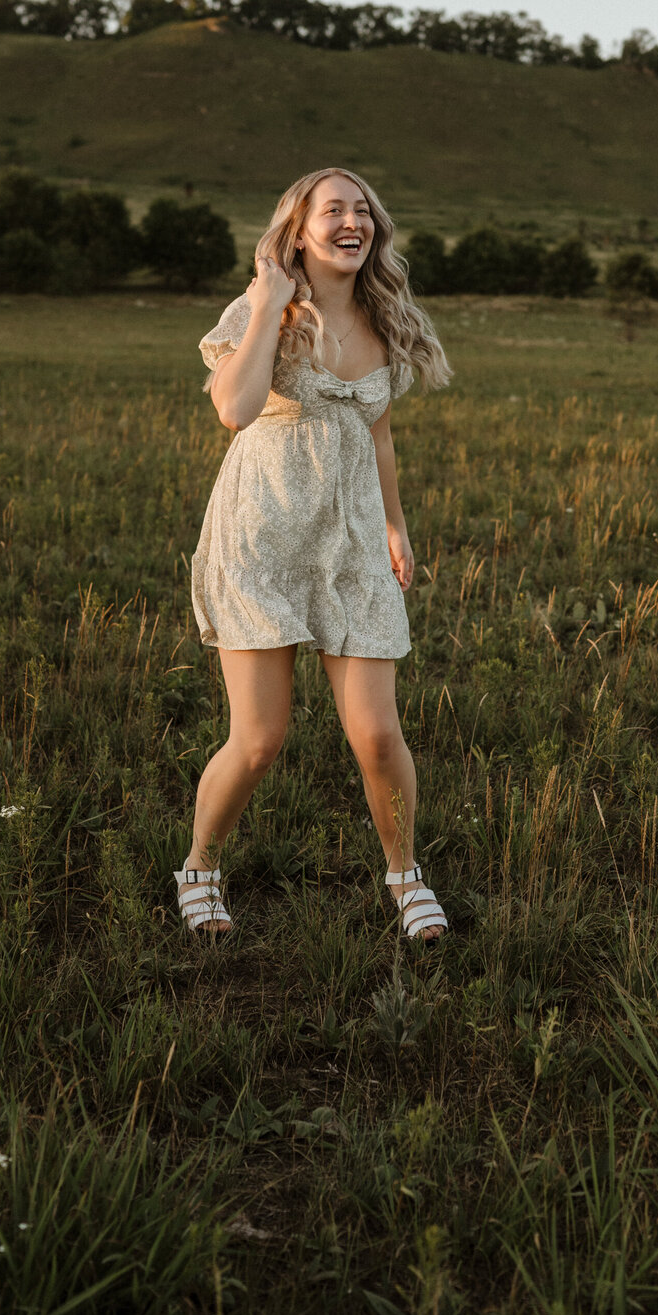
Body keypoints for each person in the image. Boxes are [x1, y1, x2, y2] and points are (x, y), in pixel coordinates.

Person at [176, 166, 453, 943]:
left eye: (362, 209)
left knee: (376, 733)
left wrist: (395, 524)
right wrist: (267, 306)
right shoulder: (260, 308)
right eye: (332, 209)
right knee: (259, 737)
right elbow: (233, 409)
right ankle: (199, 868)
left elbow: (380, 431)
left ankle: (405, 875)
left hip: (353, 539)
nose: (351, 220)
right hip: (261, 534)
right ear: (298, 229)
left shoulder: (386, 317)